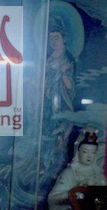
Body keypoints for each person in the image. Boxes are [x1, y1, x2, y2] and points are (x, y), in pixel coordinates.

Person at [44, 17, 76, 149]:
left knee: (59, 128)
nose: (53, 42)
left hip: (61, 100)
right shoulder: (47, 57)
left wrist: (62, 73)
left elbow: (70, 86)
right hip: (47, 100)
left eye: (56, 37)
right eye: (50, 38)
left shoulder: (67, 58)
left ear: (64, 38)